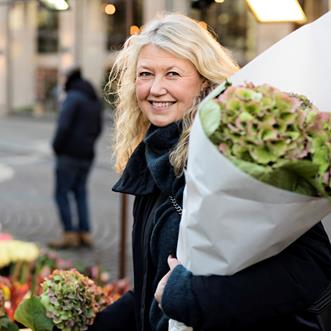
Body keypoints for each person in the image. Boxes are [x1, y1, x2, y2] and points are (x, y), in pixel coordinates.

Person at [89, 13, 331, 331]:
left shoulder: (231, 155)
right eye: (145, 74)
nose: (155, 88)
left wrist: (191, 296)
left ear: (204, 80)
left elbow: (311, 267)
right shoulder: (153, 161)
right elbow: (157, 285)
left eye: (172, 74)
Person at [49, 67, 103, 249]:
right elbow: (98, 129)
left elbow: (63, 126)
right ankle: (85, 233)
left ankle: (69, 234)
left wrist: (56, 147)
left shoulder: (72, 97)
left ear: (69, 80)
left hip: (69, 154)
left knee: (61, 193)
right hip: (87, 155)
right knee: (80, 192)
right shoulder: (92, 99)